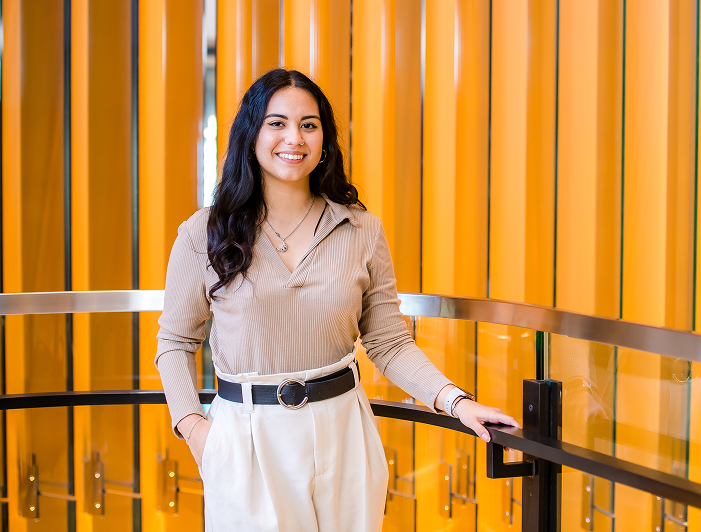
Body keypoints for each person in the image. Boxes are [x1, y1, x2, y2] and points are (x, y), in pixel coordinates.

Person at [155, 68, 519, 532]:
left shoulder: (362, 230)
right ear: (251, 135)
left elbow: (389, 342)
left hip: (343, 430)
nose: (295, 137)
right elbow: (175, 343)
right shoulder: (205, 233)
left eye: (309, 124)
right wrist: (194, 429)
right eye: (277, 123)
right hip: (246, 437)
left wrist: (456, 402)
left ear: (324, 138)